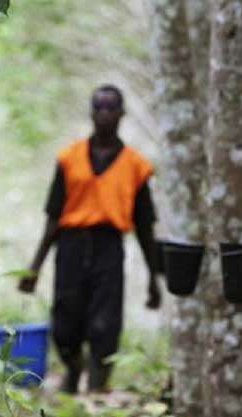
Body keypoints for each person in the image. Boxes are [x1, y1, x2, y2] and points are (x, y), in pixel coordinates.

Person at [19, 84, 161, 393]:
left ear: (121, 114)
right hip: (71, 245)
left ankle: (97, 391)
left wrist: (154, 276)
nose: (105, 113)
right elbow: (53, 217)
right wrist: (35, 267)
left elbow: (145, 226)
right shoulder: (69, 158)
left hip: (109, 247)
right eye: (99, 107)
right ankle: (73, 371)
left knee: (105, 323)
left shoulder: (135, 166)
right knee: (66, 323)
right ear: (91, 112)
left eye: (111, 108)